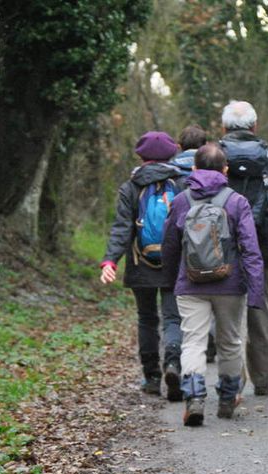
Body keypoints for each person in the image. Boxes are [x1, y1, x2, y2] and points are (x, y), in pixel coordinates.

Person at [161, 143, 265, 426]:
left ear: (194, 169)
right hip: (230, 285)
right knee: (230, 341)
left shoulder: (182, 200)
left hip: (190, 283)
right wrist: (256, 291)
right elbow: (251, 250)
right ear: (225, 169)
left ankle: (194, 399)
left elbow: (169, 245)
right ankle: (228, 398)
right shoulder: (236, 201)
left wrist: (171, 280)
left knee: (193, 342)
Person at [100, 131, 185, 401]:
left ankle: (151, 378)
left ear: (141, 155)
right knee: (173, 317)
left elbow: (122, 227)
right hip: (175, 262)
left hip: (140, 264)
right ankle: (173, 364)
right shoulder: (182, 183)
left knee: (147, 319)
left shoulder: (131, 186)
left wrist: (111, 260)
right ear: (172, 153)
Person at [218, 101, 268, 396]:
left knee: (227, 313)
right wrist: (266, 226)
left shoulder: (215, 153)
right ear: (255, 126)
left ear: (223, 127)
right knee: (259, 310)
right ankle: (263, 380)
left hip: (220, 244)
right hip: (261, 246)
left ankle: (232, 380)